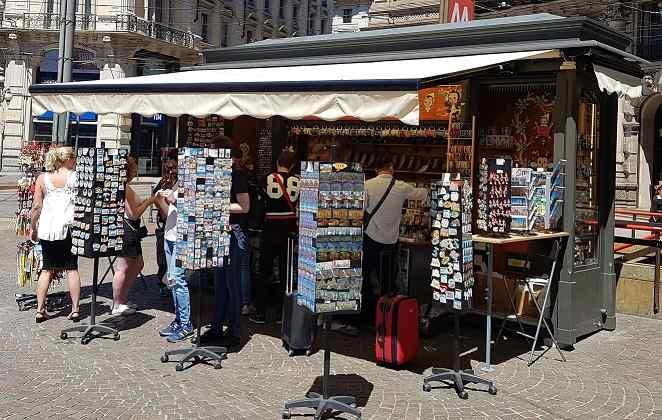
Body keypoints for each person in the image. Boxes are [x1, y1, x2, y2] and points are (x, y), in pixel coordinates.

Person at [361, 156, 427, 325]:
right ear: (391, 167)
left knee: (367, 276)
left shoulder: (367, 185)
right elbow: (422, 195)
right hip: (391, 241)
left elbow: (360, 208)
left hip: (371, 238)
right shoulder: (401, 186)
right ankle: (387, 315)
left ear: (376, 170)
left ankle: (368, 314)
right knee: (388, 279)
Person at [202, 139, 250, 347]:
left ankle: (235, 330)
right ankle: (216, 327)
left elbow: (244, 206)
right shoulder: (217, 175)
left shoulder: (237, 175)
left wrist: (217, 205)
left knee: (232, 285)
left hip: (234, 234)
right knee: (220, 284)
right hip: (219, 232)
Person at [29, 146, 81, 323]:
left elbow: (36, 207)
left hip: (48, 228)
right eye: (73, 156)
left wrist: (32, 227)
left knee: (47, 269)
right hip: (68, 228)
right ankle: (75, 310)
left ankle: (40, 309)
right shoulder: (75, 177)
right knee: (71, 268)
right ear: (66, 159)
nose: (76, 159)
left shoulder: (42, 178)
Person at [250, 149, 300, 324]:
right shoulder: (298, 180)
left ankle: (260, 312)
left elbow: (259, 204)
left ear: (278, 162)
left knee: (264, 271)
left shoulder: (267, 178)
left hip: (270, 228)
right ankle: (282, 313)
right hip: (288, 230)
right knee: (286, 273)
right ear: (292, 165)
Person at [112, 157, 157, 316]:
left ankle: (122, 299)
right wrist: (149, 201)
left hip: (128, 230)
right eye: (135, 168)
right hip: (128, 230)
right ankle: (117, 303)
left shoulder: (123, 186)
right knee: (123, 267)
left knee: (138, 263)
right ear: (129, 170)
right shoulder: (126, 188)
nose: (137, 170)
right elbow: (134, 213)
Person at [154, 164, 193, 342]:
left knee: (178, 278)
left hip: (181, 235)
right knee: (172, 278)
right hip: (171, 233)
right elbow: (169, 203)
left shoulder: (191, 182)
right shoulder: (178, 182)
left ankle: (186, 323)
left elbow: (176, 201)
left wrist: (170, 198)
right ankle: (179, 320)